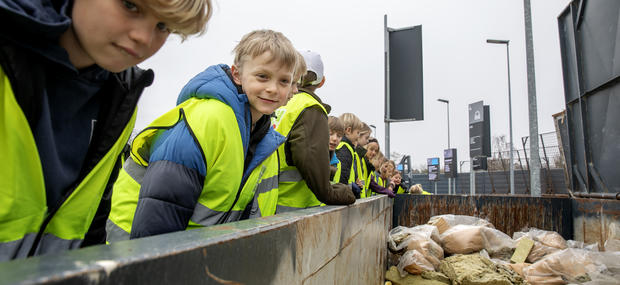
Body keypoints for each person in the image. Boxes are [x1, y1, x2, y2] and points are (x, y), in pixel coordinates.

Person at [0, 0, 212, 260]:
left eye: (163, 25)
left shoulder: (122, 95)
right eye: (130, 5)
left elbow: (93, 221)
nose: (143, 37)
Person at [106, 29, 298, 241]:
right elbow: (162, 208)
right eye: (263, 76)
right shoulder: (209, 119)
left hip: (193, 251)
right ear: (237, 74)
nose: (273, 88)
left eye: (284, 81)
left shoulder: (262, 135)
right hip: (134, 247)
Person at [272, 50, 356, 213]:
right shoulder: (311, 109)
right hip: (293, 207)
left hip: (266, 202)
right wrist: (342, 193)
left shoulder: (280, 102)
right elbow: (311, 162)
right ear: (322, 81)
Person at [335, 113, 365, 199]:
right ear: (348, 130)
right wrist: (353, 189)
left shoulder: (347, 148)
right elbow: (342, 178)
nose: (358, 136)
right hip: (341, 198)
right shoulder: (345, 149)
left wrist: (355, 182)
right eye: (358, 133)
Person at [327, 116, 345, 181]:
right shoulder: (311, 156)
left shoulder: (338, 163)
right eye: (330, 134)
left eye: (339, 136)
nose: (335, 138)